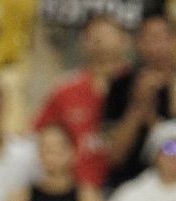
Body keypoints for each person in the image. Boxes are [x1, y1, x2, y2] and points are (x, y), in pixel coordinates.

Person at [32, 13, 130, 191]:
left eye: (106, 34)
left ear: (124, 40)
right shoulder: (66, 89)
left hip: (128, 187)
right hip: (77, 190)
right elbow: (37, 133)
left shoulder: (138, 85)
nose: (99, 41)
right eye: (92, 36)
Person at [101, 13, 176, 189]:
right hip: (128, 180)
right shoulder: (121, 84)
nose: (158, 46)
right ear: (139, 44)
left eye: (163, 37)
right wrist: (138, 105)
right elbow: (115, 156)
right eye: (150, 38)